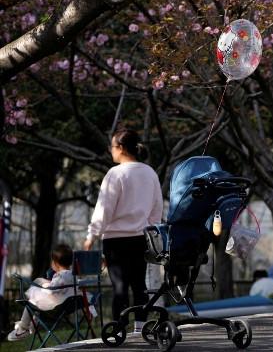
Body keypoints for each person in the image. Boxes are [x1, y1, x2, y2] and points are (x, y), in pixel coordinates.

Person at [84, 128, 163, 333]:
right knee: (139, 285)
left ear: (120, 148)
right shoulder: (150, 173)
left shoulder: (115, 174)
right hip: (141, 238)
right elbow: (157, 207)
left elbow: (104, 208)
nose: (111, 151)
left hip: (116, 240)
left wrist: (92, 235)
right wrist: (151, 229)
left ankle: (119, 327)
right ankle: (141, 326)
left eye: (112, 147)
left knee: (120, 286)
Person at [7, 244, 87, 341]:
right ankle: (31, 323)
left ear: (55, 263)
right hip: (68, 305)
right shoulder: (73, 275)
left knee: (31, 301)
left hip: (55, 307)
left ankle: (23, 328)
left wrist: (45, 287)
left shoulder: (60, 276)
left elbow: (51, 292)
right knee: (38, 285)